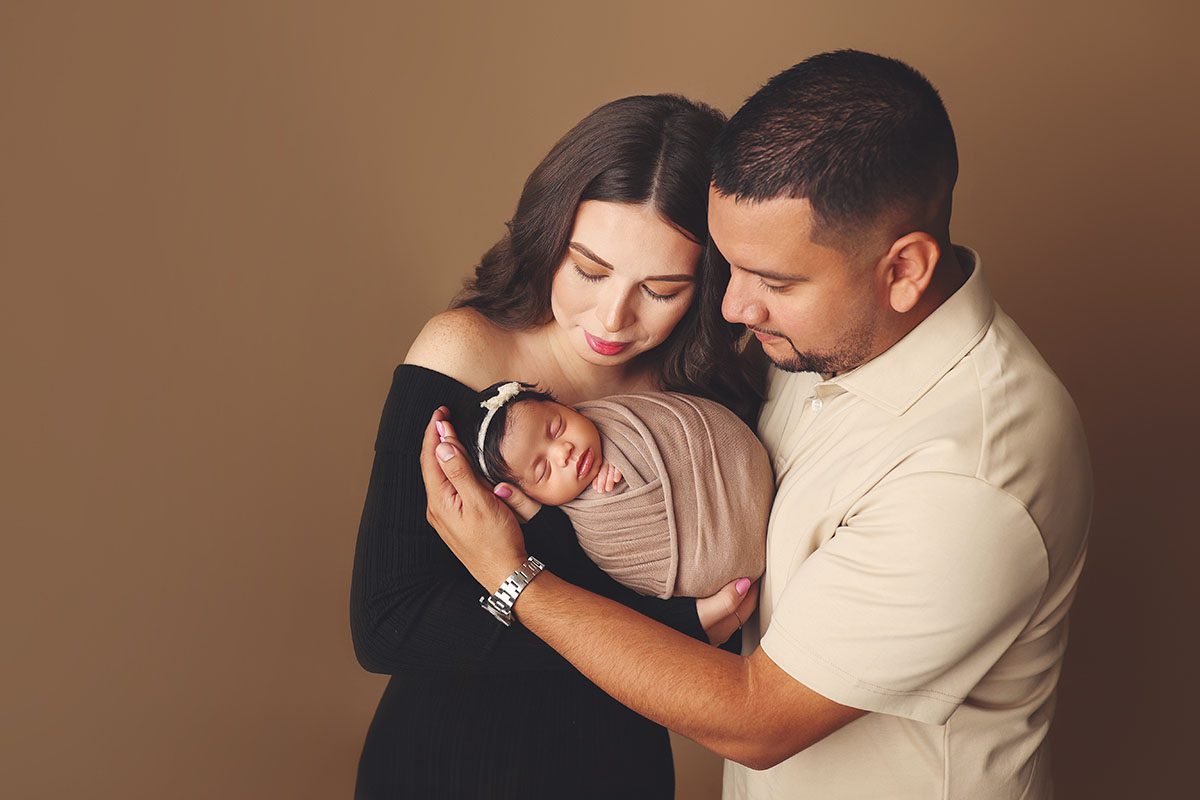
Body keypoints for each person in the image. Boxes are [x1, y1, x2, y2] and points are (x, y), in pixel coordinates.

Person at [421, 50, 1093, 799]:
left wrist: (513, 579)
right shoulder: (814, 343)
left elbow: (756, 717)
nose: (735, 308)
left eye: (775, 282)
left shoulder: (971, 475)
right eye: (729, 268)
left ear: (904, 270)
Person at [349, 93, 762, 799]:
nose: (612, 317)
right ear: (548, 234)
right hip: (452, 762)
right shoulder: (467, 354)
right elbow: (386, 625)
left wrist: (510, 575)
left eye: (661, 290)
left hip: (617, 761)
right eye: (590, 270)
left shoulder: (705, 397)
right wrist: (664, 630)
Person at [469, 380, 771, 598]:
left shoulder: (617, 416)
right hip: (709, 561)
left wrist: (622, 455)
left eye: (556, 428)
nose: (563, 451)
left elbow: (682, 422)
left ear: (564, 406)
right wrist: (615, 491)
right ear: (531, 497)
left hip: (738, 466)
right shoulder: (584, 528)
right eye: (544, 469)